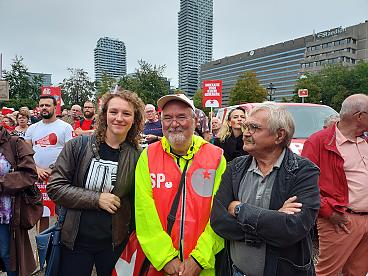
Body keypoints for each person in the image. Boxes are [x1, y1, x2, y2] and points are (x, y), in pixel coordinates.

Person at [211, 102, 320, 276]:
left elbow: (293, 228)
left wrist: (239, 209)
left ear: (279, 135)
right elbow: (218, 221)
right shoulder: (236, 167)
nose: (246, 132)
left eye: (254, 127)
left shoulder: (303, 171)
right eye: (246, 126)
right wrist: (273, 220)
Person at [47, 90, 145, 276]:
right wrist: (96, 199)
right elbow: (55, 187)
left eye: (126, 113)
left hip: (115, 244)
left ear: (135, 119)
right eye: (113, 112)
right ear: (104, 115)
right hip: (75, 241)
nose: (119, 118)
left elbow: (138, 201)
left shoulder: (138, 156)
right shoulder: (77, 146)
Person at [135, 93, 226, 275]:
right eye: (167, 118)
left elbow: (220, 213)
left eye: (181, 117)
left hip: (204, 268)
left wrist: (199, 259)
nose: (174, 123)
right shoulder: (148, 156)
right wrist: (166, 258)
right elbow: (144, 212)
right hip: (160, 266)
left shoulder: (216, 157)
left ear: (194, 121)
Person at [301, 94, 368, 276]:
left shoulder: (365, 140)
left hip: (364, 219)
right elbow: (304, 186)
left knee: (358, 272)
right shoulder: (319, 142)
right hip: (340, 220)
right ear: (360, 116)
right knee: (328, 272)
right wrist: (329, 213)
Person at [25, 95, 73, 231]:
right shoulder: (32, 128)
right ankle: (41, 250)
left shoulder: (65, 127)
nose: (44, 108)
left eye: (47, 105)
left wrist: (54, 170)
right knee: (41, 214)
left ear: (55, 107)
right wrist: (36, 169)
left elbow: (70, 154)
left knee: (61, 214)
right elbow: (26, 154)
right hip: (37, 177)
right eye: (42, 105)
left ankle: (58, 249)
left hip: (58, 177)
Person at [0, 125, 38, 276]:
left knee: (7, 254)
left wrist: (2, 183)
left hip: (5, 214)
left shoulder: (15, 143)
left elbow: (29, 174)